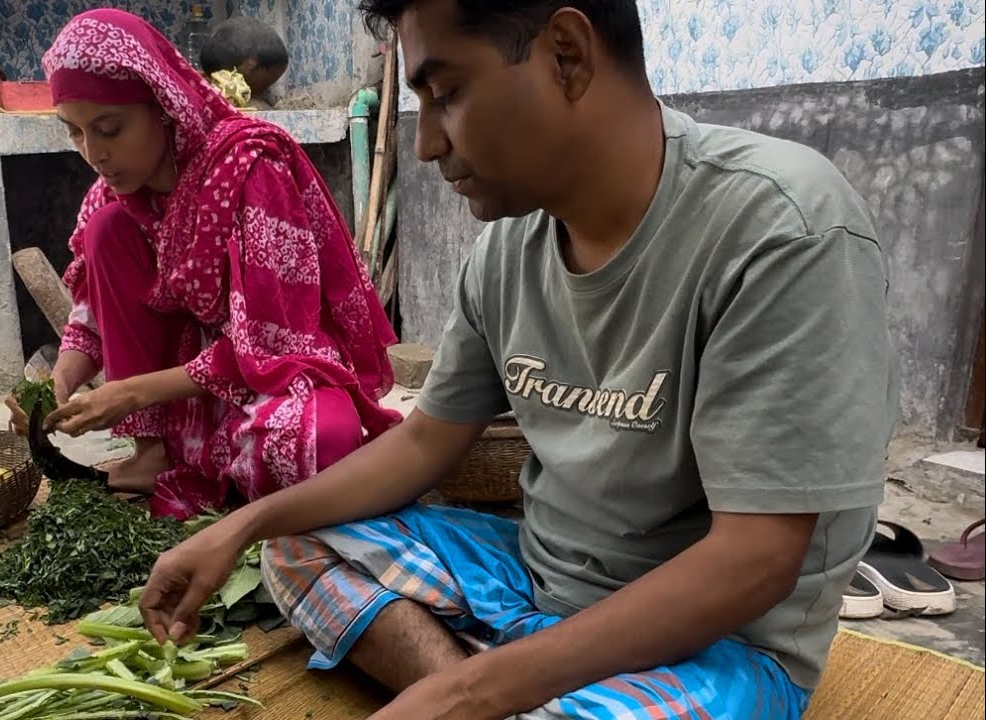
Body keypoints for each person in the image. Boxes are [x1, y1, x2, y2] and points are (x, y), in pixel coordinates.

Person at [137, 1, 899, 718]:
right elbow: (425, 441)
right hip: (533, 583)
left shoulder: (780, 228)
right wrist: (239, 528)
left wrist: (471, 691)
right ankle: (503, 685)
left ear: (565, 56)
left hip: (717, 646)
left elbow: (754, 562)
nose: (430, 141)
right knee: (297, 544)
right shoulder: (506, 252)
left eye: (447, 93)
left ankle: (491, 686)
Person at [6, 9, 401, 519]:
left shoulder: (249, 168)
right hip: (184, 384)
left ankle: (207, 461)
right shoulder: (115, 200)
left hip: (275, 364)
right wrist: (54, 386)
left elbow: (275, 342)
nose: (94, 153)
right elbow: (91, 322)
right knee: (105, 230)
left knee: (320, 443)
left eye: (109, 128)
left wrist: (130, 394)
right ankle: (153, 453)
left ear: (163, 105)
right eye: (76, 133)